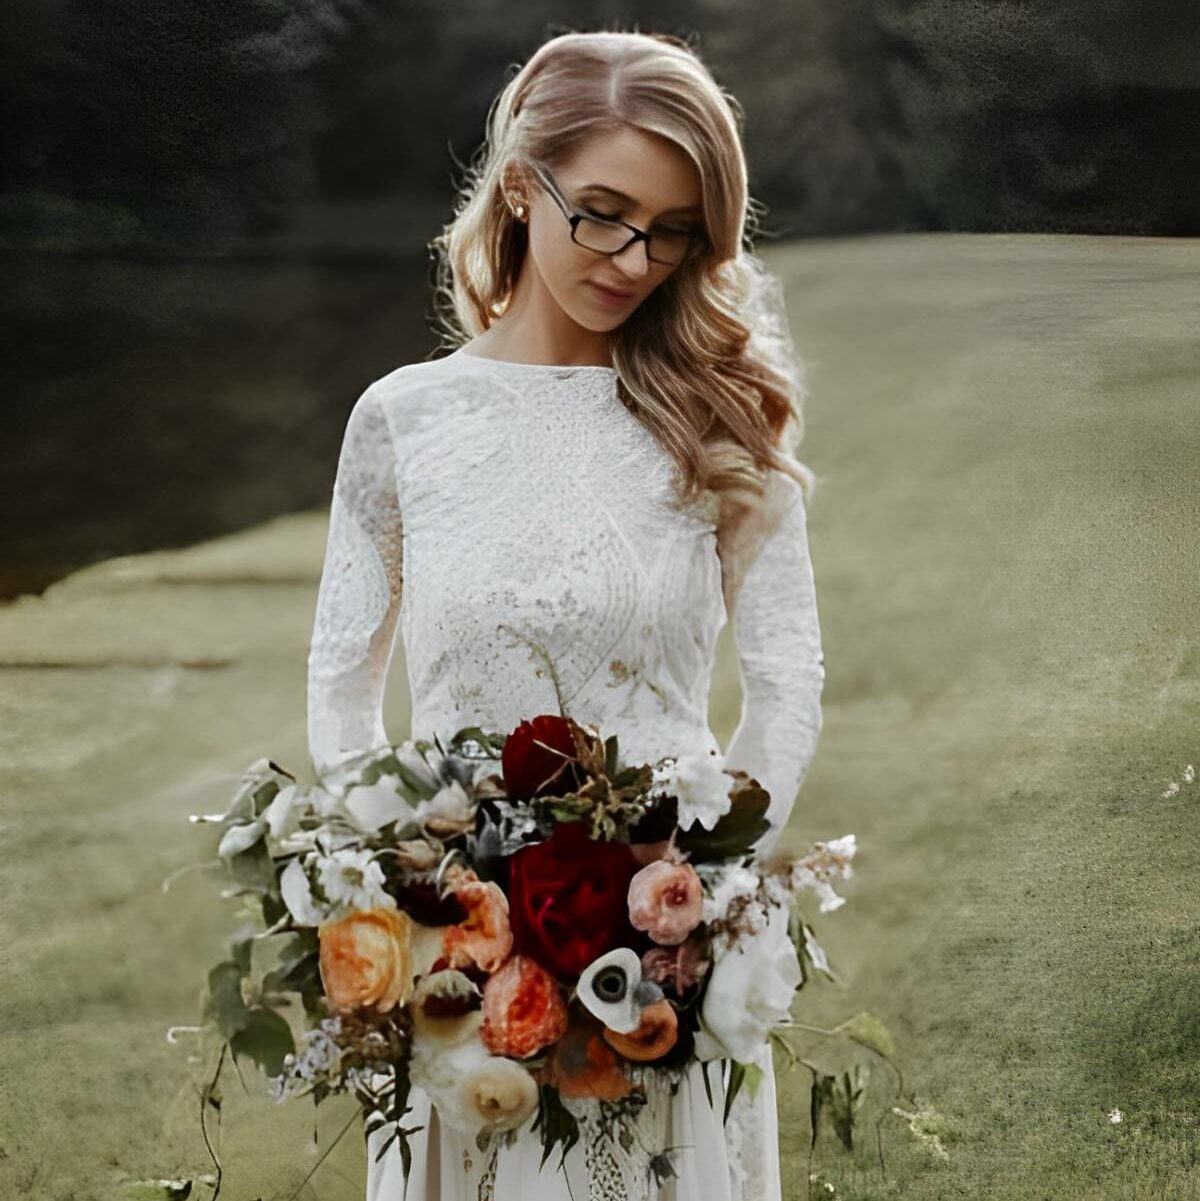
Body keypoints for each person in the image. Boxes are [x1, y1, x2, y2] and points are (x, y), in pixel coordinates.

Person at [306, 27, 826, 1201]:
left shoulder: (722, 416)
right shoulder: (405, 418)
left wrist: (701, 894)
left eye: (674, 229)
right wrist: (402, 873)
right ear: (518, 186)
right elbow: (343, 678)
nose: (636, 258)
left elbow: (787, 675)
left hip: (661, 961)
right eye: (602, 211)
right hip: (463, 967)